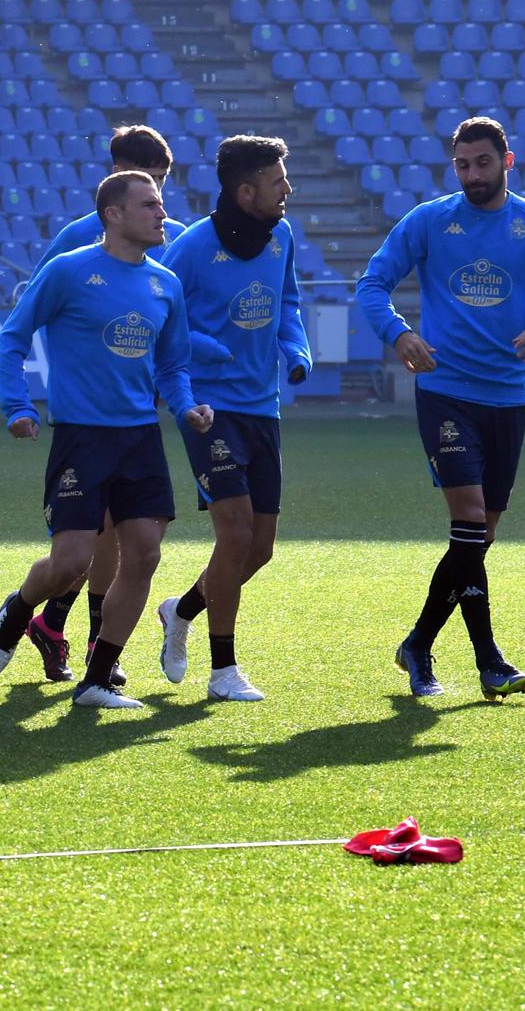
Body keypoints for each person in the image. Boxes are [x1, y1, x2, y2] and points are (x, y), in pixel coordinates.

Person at [355, 116, 525, 701]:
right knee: (467, 518)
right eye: (461, 164)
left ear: (506, 162)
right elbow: (372, 284)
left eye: (482, 163)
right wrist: (398, 333)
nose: (471, 175)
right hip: (446, 393)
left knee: (478, 538)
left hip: (508, 398)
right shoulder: (432, 220)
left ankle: (418, 642)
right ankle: (490, 660)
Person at [0, 171, 213, 710]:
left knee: (145, 554)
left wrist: (186, 408)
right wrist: (17, 405)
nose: (162, 214)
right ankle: (17, 611)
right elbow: (12, 339)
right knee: (71, 563)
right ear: (113, 214)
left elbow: (173, 366)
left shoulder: (165, 284)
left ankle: (97, 678)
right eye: (150, 205)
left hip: (140, 438)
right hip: (82, 440)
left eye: (161, 204)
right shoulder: (68, 271)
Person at [25, 124, 189, 688]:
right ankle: (81, 637)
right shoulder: (76, 240)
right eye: (148, 180)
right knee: (96, 537)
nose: (158, 194)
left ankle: (68, 632)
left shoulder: (169, 241)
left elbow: (174, 328)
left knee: (122, 538)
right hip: (89, 414)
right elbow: (37, 308)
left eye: (163, 182)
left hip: (138, 413)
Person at [153, 135, 311, 701]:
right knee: (236, 533)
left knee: (260, 548)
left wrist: (296, 348)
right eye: (278, 182)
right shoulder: (193, 247)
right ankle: (224, 671)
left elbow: (287, 302)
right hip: (208, 410)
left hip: (262, 408)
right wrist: (203, 348)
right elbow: (155, 312)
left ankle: (181, 609)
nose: (288, 190)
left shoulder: (282, 236)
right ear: (246, 192)